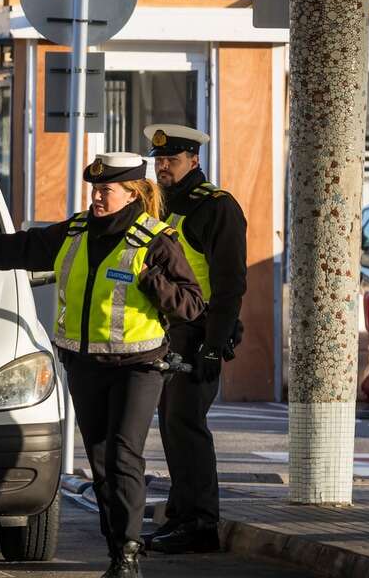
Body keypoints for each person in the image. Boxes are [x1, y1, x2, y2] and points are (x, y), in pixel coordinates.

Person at [0, 152, 204, 578]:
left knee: (123, 456)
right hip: (86, 366)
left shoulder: (156, 241)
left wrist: (152, 280)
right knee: (100, 460)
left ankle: (128, 554)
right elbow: (20, 247)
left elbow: (191, 304)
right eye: (95, 189)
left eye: (106, 190)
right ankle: (117, 551)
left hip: (138, 367)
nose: (97, 197)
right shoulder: (75, 232)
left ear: (131, 193)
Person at [143, 124, 247, 554]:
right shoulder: (162, 207)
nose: (163, 166)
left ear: (195, 160)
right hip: (167, 332)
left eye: (172, 159)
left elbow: (230, 283)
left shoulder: (216, 207)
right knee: (172, 426)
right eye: (159, 160)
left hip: (198, 332)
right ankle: (181, 516)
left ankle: (202, 523)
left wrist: (213, 344)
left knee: (187, 426)